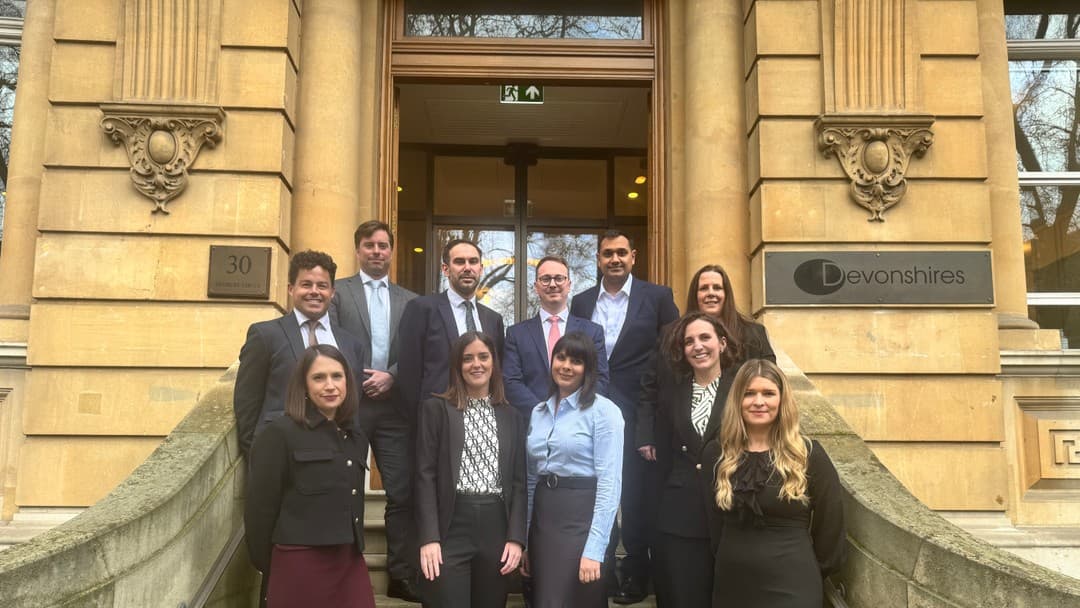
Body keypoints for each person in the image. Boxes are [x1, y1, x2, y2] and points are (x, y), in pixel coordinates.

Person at [569, 230, 679, 602]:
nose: (614, 259)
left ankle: (635, 572)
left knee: (635, 495)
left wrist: (655, 420)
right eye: (607, 254)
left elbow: (672, 356)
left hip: (640, 409)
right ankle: (602, 570)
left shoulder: (658, 297)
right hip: (591, 409)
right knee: (598, 488)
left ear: (633, 256)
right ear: (598, 259)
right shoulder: (582, 302)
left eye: (621, 253)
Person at [704, 359, 846, 607]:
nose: (759, 401)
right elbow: (713, 524)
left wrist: (814, 571)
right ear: (737, 400)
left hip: (793, 583)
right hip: (732, 583)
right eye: (749, 393)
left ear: (782, 400)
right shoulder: (716, 454)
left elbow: (831, 524)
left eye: (768, 393)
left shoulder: (808, 454)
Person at [330, 220, 421, 602]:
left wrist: (392, 377)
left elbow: (417, 350)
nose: (377, 251)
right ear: (358, 250)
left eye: (383, 245)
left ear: (391, 251)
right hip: (351, 405)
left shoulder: (411, 301)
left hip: (394, 409)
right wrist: (360, 378)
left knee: (402, 492)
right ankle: (342, 575)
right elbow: (331, 343)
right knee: (340, 488)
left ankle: (401, 576)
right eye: (370, 245)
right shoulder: (338, 293)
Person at [244, 344, 375, 608]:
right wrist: (271, 564)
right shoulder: (280, 433)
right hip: (299, 561)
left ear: (348, 382)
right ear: (303, 385)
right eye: (319, 377)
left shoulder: (355, 436)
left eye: (337, 376)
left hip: (349, 559)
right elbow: (260, 509)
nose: (330, 385)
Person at [414, 332, 527, 608]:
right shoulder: (436, 409)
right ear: (457, 365)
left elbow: (519, 483)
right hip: (450, 526)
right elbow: (424, 476)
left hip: (496, 526)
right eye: (468, 358)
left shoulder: (512, 416)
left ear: (494, 363)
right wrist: (429, 537)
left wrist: (516, 538)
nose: (476, 364)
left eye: (483, 357)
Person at [234, 250, 368, 458]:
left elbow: (353, 406)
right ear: (291, 288)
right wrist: (257, 454)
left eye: (322, 286)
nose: (314, 291)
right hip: (280, 456)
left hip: (336, 457)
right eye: (306, 284)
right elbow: (247, 403)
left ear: (332, 292)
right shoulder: (265, 335)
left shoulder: (352, 345)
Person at [524, 332, 624, 608]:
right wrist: (526, 539)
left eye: (576, 361)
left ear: (588, 368)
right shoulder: (538, 412)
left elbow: (610, 483)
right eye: (561, 358)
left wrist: (595, 548)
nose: (566, 366)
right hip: (544, 518)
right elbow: (531, 479)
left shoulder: (605, 412)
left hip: (581, 516)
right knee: (544, 599)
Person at [649, 313, 739, 607]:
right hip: (681, 517)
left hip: (730, 511)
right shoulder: (672, 393)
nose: (697, 346)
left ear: (722, 343)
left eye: (704, 338)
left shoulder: (742, 391)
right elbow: (664, 455)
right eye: (689, 341)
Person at [399, 238, 506, 420]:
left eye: (473, 262)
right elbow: (408, 373)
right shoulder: (421, 309)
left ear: (480, 269)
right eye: (459, 261)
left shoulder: (493, 319)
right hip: (436, 419)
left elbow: (497, 372)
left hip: (483, 418)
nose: (467, 268)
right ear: (445, 269)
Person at [503, 254, 609, 420]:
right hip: (532, 424)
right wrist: (542, 413)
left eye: (559, 278)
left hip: (580, 423)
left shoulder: (592, 332)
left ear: (569, 285)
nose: (552, 284)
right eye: (545, 279)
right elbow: (511, 382)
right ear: (536, 287)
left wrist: (573, 413)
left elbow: (600, 379)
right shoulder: (516, 334)